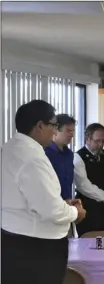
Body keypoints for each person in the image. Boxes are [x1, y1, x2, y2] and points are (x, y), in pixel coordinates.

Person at [1, 100, 86, 284]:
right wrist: (74, 212)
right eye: (54, 125)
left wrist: (62, 204)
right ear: (40, 126)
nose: (55, 131)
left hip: (12, 240)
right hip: (37, 249)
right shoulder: (32, 158)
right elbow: (52, 211)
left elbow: (31, 199)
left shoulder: (9, 148)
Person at [73, 123, 104, 236]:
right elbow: (83, 185)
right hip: (89, 209)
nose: (100, 144)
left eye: (103, 141)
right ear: (87, 139)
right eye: (97, 141)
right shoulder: (78, 157)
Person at [44, 113, 76, 202]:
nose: (72, 134)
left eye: (73, 131)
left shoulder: (69, 154)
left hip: (66, 205)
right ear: (55, 130)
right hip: (50, 205)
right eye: (68, 131)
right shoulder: (45, 153)